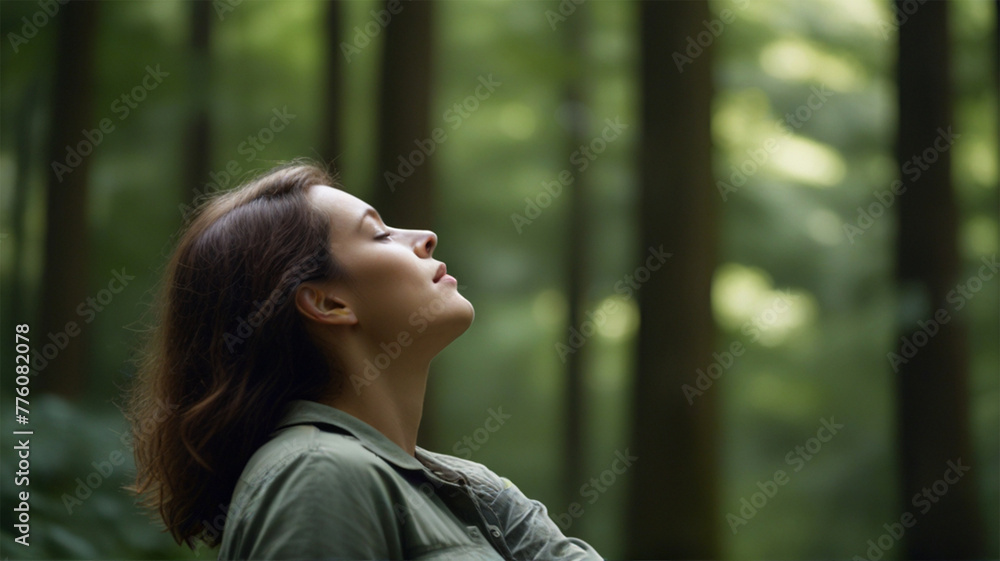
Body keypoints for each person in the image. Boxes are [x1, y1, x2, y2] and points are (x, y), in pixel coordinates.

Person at [125, 162, 603, 560]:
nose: (426, 237)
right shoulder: (318, 475)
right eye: (379, 235)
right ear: (328, 304)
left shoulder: (473, 492)